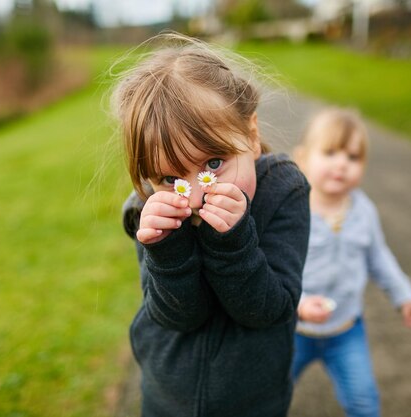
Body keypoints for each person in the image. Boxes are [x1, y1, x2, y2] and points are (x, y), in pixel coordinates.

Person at [113, 33, 311, 417]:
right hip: (167, 397)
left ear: (251, 136)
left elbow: (269, 310)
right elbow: (178, 316)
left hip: (253, 400)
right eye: (171, 179)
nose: (198, 195)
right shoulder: (150, 212)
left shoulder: (283, 191)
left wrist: (233, 241)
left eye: (215, 163)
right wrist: (166, 249)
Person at [291, 107, 411, 417]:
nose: (342, 164)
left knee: (363, 402)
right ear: (302, 158)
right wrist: (298, 304)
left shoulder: (363, 210)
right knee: (268, 396)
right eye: (330, 152)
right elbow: (276, 271)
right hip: (293, 330)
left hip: (346, 329)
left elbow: (380, 257)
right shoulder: (291, 212)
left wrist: (405, 296)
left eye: (353, 157)